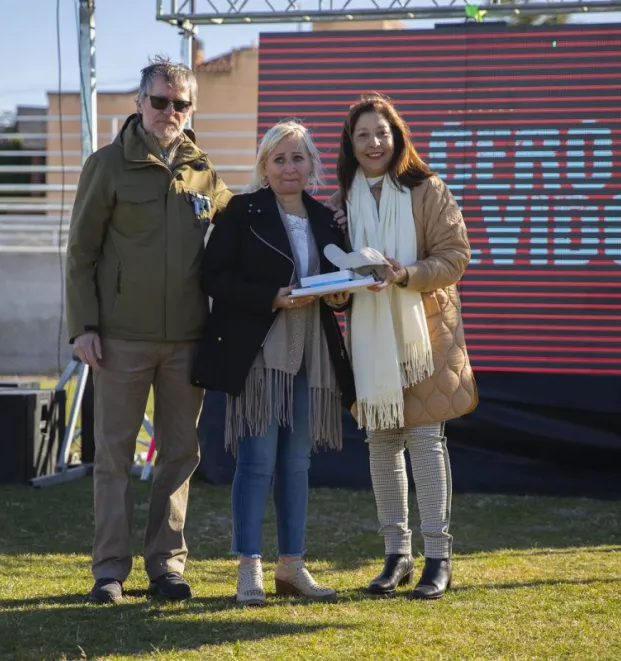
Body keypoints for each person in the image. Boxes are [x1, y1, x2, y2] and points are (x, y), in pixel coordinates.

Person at [66, 56, 232, 604]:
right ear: (139, 104)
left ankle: (166, 567)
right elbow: (81, 255)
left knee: (181, 454)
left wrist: (313, 215)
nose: (169, 112)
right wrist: (84, 327)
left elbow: (247, 224)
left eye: (180, 103)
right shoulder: (106, 166)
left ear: (191, 109)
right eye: (159, 101)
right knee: (114, 457)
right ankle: (109, 572)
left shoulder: (203, 171)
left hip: (188, 339)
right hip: (119, 339)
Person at [191, 120, 356, 606]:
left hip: (314, 355)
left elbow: (339, 289)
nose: (289, 167)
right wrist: (270, 298)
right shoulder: (242, 211)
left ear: (312, 165)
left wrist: (343, 294)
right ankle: (249, 569)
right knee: (257, 461)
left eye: (298, 158)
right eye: (279, 159)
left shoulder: (327, 219)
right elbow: (212, 277)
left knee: (297, 464)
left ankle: (292, 568)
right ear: (264, 165)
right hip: (260, 355)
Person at [330, 93, 478, 600]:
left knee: (425, 442)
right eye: (363, 134)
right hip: (369, 338)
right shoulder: (341, 200)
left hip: (426, 335)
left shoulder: (427, 188)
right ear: (351, 144)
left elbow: (455, 256)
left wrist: (405, 274)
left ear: (398, 137)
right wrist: (344, 284)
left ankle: (439, 559)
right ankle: (397, 556)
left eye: (382, 132)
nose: (374, 143)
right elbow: (334, 281)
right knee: (381, 444)